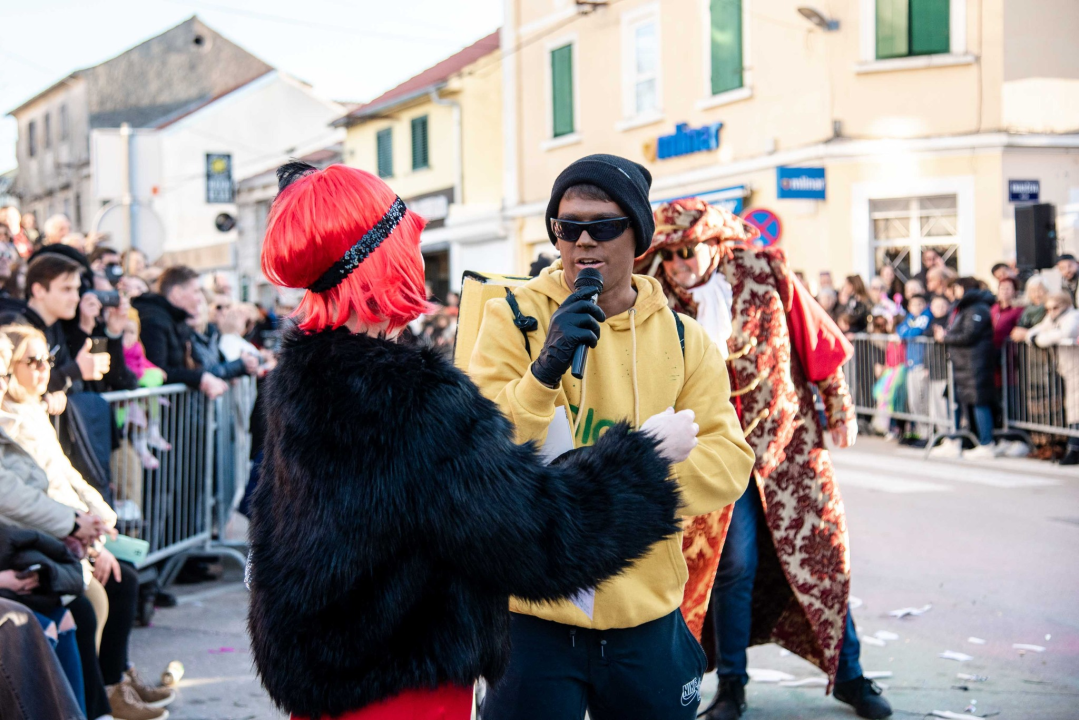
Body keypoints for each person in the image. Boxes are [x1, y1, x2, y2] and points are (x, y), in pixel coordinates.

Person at [248, 161, 696, 720]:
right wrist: (646, 457)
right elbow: (540, 540)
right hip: (402, 690)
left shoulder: (301, 374)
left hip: (324, 680)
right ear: (388, 258)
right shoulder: (410, 398)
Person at [469, 156, 754, 720]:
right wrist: (543, 373)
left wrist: (623, 476)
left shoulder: (685, 339)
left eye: (602, 226)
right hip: (533, 615)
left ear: (639, 237)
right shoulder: (513, 319)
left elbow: (729, 463)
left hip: (643, 617)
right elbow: (478, 456)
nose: (582, 241)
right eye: (566, 227)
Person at [641, 199, 890, 720]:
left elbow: (815, 337)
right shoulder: (655, 296)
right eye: (669, 255)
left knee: (822, 559)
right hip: (713, 455)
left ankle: (850, 676)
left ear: (715, 244)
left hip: (787, 451)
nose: (679, 263)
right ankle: (731, 686)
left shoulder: (763, 272)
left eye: (688, 250)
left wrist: (839, 407)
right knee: (733, 565)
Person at [1, 324, 174, 719]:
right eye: (31, 361)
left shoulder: (30, 412)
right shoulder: (10, 421)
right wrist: (80, 529)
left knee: (107, 590)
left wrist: (97, 516)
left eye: (47, 359)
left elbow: (64, 475)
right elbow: (20, 497)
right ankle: (96, 703)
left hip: (50, 535)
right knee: (83, 604)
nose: (43, 369)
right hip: (34, 541)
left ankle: (108, 691)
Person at [0, 254, 109, 414]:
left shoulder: (54, 326)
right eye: (66, 289)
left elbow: (75, 384)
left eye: (77, 289)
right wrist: (75, 371)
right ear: (39, 290)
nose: (75, 298)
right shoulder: (13, 326)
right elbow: (13, 385)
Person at [131, 266, 229, 399]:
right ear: (177, 292)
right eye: (195, 291)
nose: (199, 299)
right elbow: (158, 370)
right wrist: (200, 378)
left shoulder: (176, 319)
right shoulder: (153, 320)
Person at [933, 278, 998, 459]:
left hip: (975, 364)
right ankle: (956, 440)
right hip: (964, 364)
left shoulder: (978, 308)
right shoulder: (965, 308)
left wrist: (945, 338)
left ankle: (986, 442)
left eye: (956, 288)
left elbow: (969, 334)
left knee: (979, 402)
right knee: (959, 401)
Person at [1025, 292, 1079, 465]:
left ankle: (1074, 448)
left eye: (1055, 307)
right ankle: (1073, 447)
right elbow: (1033, 332)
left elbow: (1067, 332)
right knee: (1072, 407)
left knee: (1075, 407)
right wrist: (1039, 337)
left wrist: (1041, 338)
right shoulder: (1052, 319)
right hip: (1066, 367)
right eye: (1048, 308)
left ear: (1065, 305)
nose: (1051, 311)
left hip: (1075, 367)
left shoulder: (1073, 316)